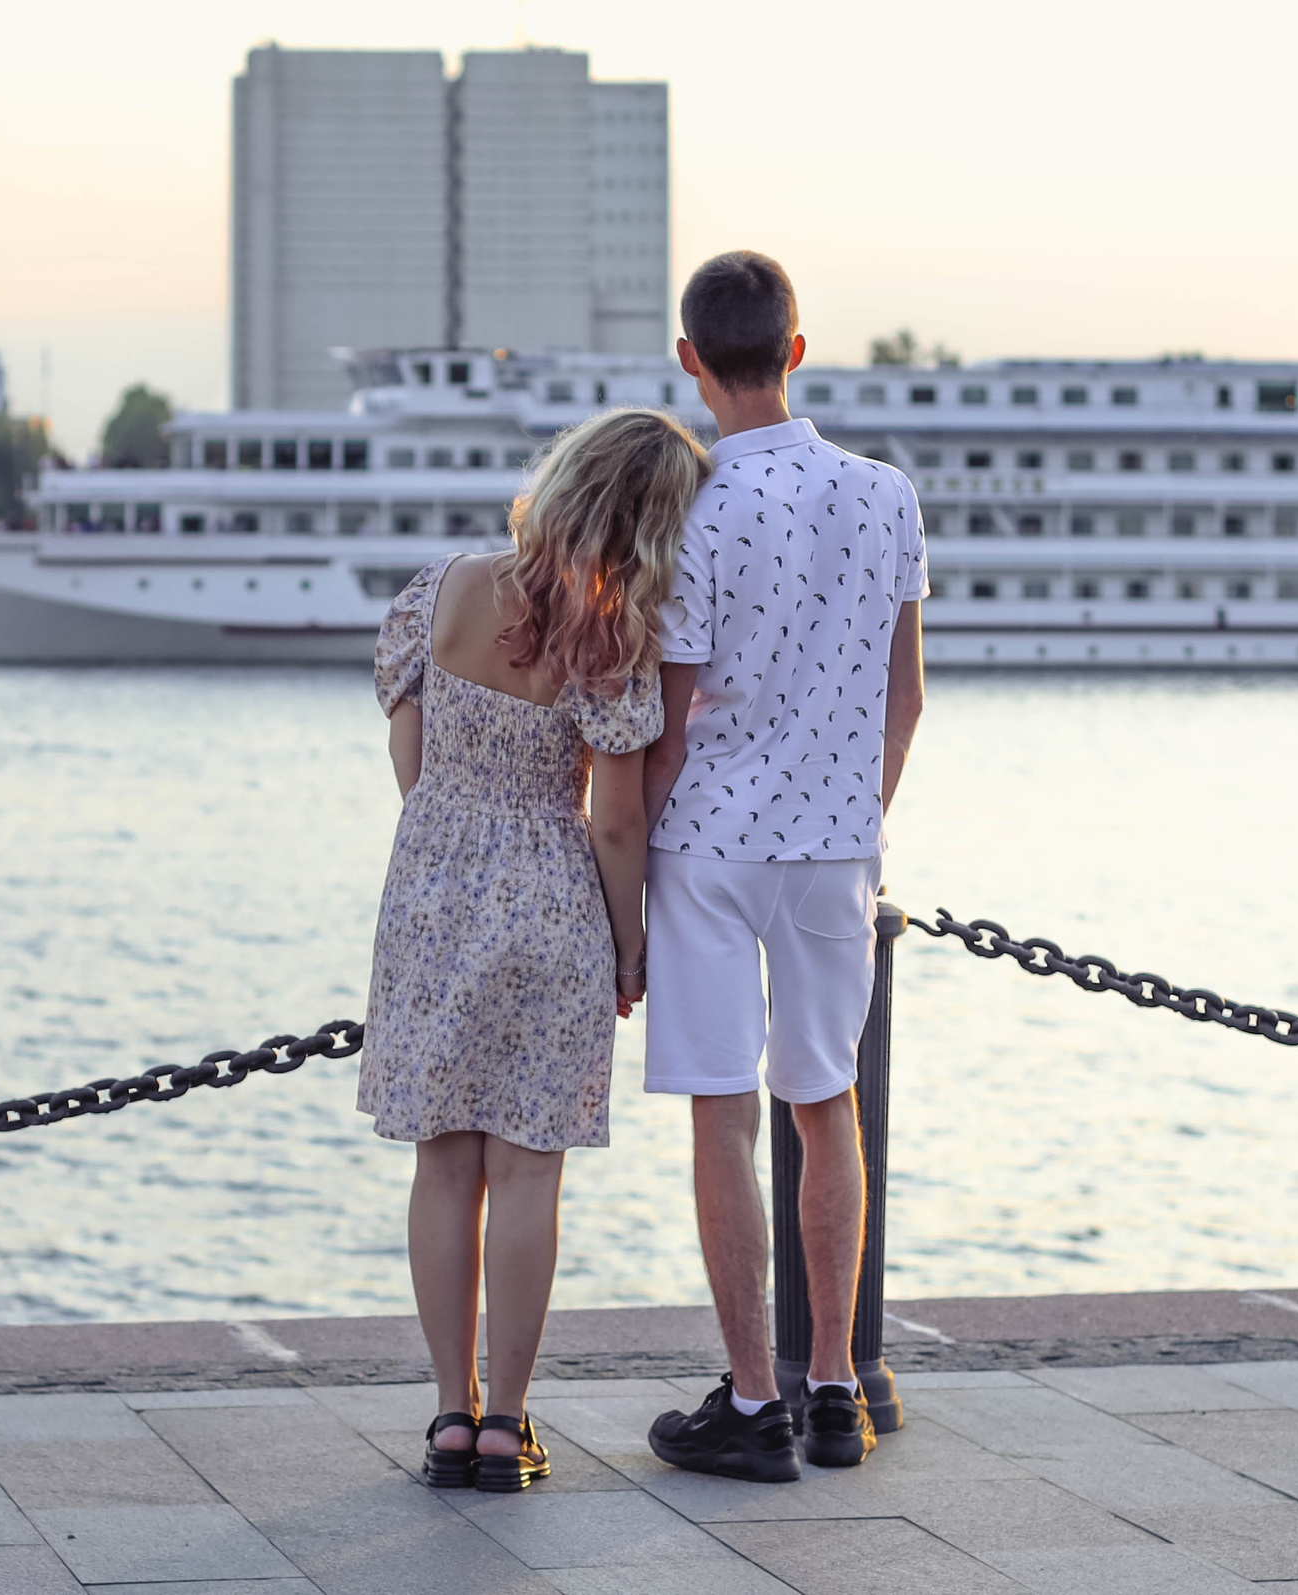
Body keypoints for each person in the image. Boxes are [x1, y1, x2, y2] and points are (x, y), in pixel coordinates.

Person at [358, 407, 713, 1494]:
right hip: (553, 900)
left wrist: (452, 843)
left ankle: (448, 1416)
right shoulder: (609, 639)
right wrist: (627, 945)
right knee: (525, 1174)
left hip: (428, 894)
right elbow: (614, 820)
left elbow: (407, 750)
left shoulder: (440, 590)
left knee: (442, 1163)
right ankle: (508, 1424)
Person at [641, 250, 928, 1482]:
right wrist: (857, 814)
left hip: (705, 840)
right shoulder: (887, 495)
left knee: (721, 1113)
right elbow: (904, 695)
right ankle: (830, 1395)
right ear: (797, 350)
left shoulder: (691, 509)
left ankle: (749, 1402)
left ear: (690, 360)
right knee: (826, 1106)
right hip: (833, 842)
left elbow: (670, 711)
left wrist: (621, 898)